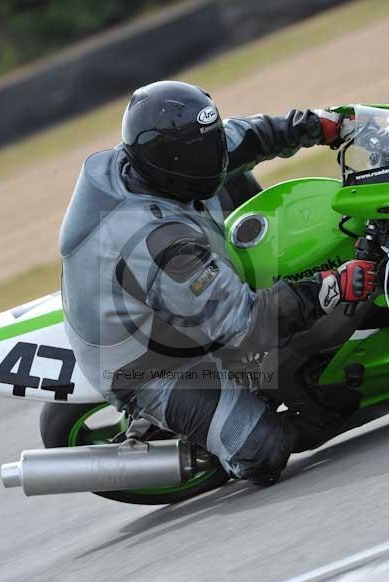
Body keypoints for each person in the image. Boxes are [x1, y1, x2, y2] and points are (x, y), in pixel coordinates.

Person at [60, 81, 375, 485]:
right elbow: (246, 327)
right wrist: (332, 286)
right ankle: (226, 442)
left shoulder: (166, 159)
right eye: (200, 155)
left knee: (236, 182)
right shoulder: (157, 244)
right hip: (151, 361)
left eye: (210, 145)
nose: (214, 159)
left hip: (163, 276)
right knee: (264, 450)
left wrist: (322, 125)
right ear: (170, 161)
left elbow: (248, 136)